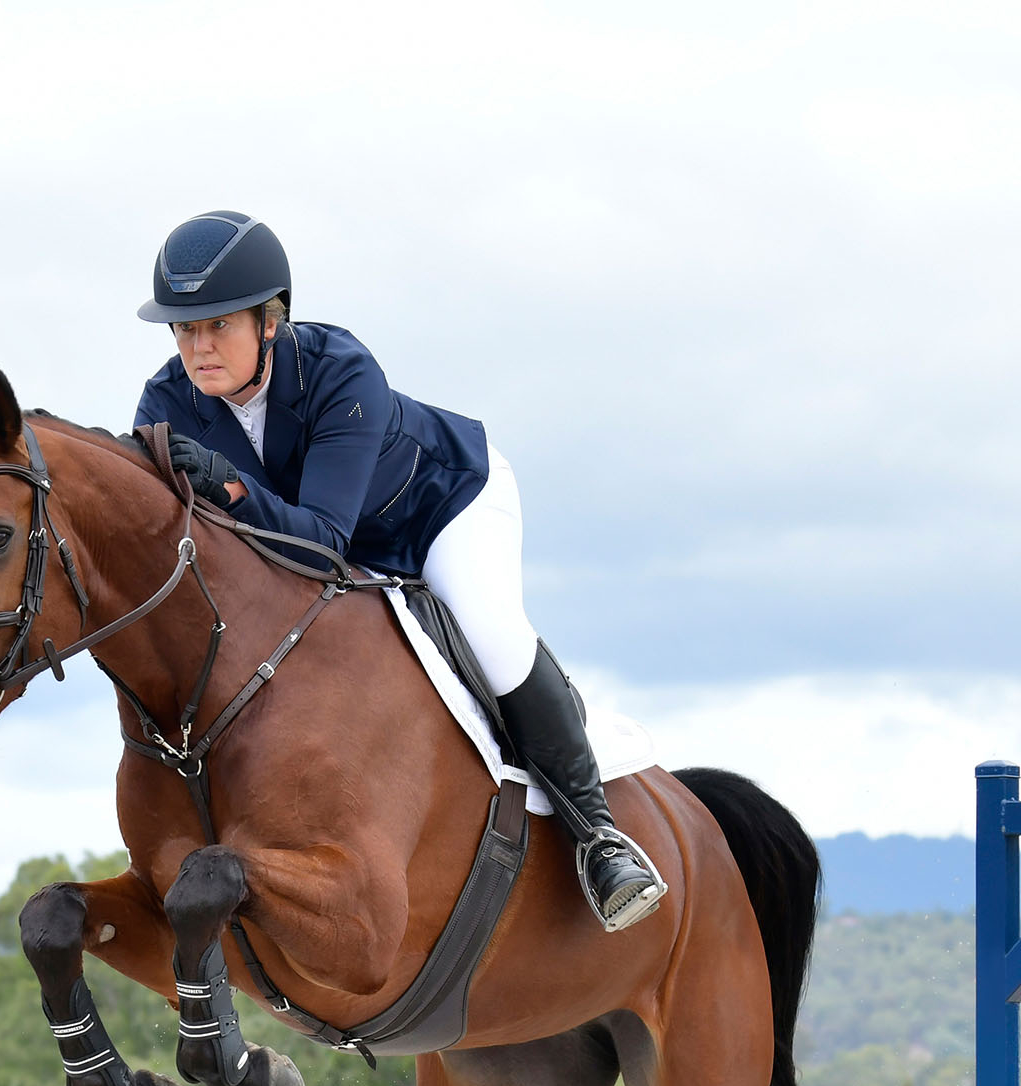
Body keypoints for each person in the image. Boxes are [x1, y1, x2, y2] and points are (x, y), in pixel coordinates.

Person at [134, 211, 667, 933]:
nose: (198, 347)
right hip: (335, 556)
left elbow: (322, 540)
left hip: (441, 512)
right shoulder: (167, 404)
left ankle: (600, 839)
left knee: (487, 631)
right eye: (183, 329)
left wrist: (230, 487)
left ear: (269, 320)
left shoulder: (339, 370)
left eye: (217, 326)